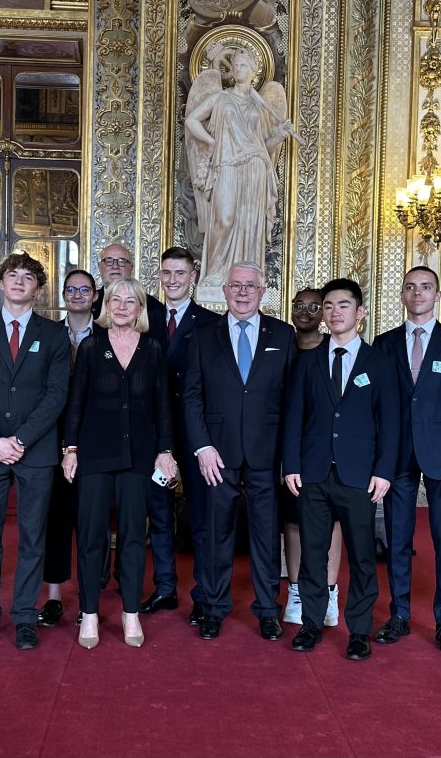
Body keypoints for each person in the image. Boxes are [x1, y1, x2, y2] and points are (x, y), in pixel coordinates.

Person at [282, 278, 399, 660]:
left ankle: (360, 630)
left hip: (360, 477)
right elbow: (294, 416)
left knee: (363, 556)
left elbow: (390, 423)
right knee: (313, 553)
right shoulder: (308, 361)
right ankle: (312, 623)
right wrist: (291, 465)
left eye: (343, 306)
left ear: (360, 312)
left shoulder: (380, 364)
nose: (334, 313)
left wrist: (383, 472)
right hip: (313, 475)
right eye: (328, 306)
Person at [0, 253, 71, 651]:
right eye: (13, 275)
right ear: (2, 284)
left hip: (36, 451)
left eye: (28, 277)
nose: (20, 282)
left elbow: (57, 395)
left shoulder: (54, 335)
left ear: (38, 289)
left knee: (31, 537)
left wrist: (20, 440)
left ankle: (25, 615)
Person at [62, 279, 177, 649]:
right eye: (116, 300)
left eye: (131, 301)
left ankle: (130, 613)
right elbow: (76, 403)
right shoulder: (91, 347)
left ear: (141, 308)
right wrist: (71, 450)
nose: (123, 306)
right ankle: (91, 614)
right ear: (105, 305)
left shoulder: (154, 349)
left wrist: (165, 450)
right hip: (95, 453)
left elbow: (162, 406)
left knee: (131, 536)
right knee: (92, 534)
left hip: (139, 456)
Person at [183, 261, 295, 641]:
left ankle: (267, 610)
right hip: (218, 453)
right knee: (217, 534)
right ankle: (214, 608)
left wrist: (287, 458)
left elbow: (292, 402)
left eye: (251, 286)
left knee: (266, 536)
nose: (243, 292)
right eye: (236, 286)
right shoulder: (203, 335)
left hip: (267, 454)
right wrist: (202, 447)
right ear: (224, 291)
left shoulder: (284, 334)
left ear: (263, 293)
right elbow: (192, 397)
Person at [372, 266, 441, 653]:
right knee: (397, 538)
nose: (418, 293)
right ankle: (399, 614)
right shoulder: (383, 344)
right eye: (411, 287)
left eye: (426, 287)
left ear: (437, 294)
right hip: (397, 455)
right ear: (401, 294)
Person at [184, 44, 295, 289]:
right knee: (224, 218)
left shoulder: (259, 105)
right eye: (235, 66)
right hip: (227, 165)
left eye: (244, 65)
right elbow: (192, 120)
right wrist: (213, 142)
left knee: (249, 224)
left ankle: (246, 281)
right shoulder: (221, 97)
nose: (239, 69)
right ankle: (216, 274)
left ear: (254, 70)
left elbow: (264, 144)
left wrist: (280, 135)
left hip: (255, 166)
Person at [151, 246, 218, 626]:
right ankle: (164, 587)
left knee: (200, 516)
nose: (172, 279)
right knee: (158, 514)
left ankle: (204, 594)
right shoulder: (147, 318)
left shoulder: (210, 323)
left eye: (180, 273)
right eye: (166, 272)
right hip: (155, 433)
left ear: (193, 275)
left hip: (195, 434)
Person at [34, 268, 98, 628]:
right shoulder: (47, 334)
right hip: (53, 442)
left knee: (92, 525)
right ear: (63, 294)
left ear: (94, 295)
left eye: (84, 289)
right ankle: (55, 597)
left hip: (95, 442)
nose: (77, 294)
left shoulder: (106, 334)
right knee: (55, 522)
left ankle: (91, 598)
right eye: (71, 289)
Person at [280, 287, 343, 628]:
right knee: (292, 520)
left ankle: (329, 591)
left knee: (331, 521)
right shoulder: (280, 344)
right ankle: (296, 591)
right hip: (289, 447)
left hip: (326, 449)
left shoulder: (332, 349)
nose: (305, 311)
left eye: (314, 306)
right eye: (299, 305)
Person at [91, 242, 168, 349]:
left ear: (131, 267)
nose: (115, 266)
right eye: (108, 261)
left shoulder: (153, 307)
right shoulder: (89, 303)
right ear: (99, 267)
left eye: (122, 261)